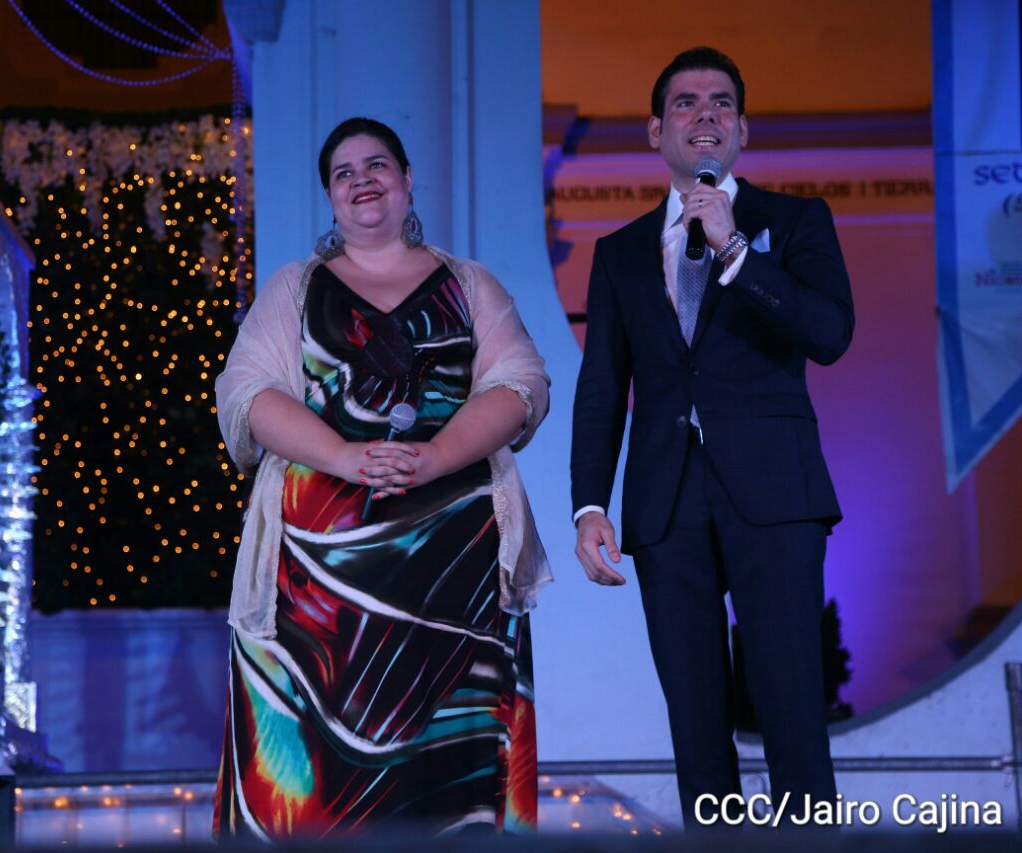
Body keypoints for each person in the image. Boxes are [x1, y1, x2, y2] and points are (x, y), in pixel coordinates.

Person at [213, 117, 551, 838]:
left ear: (406, 179)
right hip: (314, 589)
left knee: (449, 774)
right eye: (344, 173)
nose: (362, 180)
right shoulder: (294, 288)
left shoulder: (470, 283)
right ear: (330, 197)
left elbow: (520, 384)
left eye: (376, 165)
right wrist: (345, 457)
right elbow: (246, 394)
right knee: (315, 783)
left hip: (454, 576)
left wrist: (436, 456)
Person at [570, 47, 853, 829]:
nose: (706, 115)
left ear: (742, 131)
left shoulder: (795, 222)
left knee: (792, 713)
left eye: (722, 102)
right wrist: (588, 505)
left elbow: (830, 333)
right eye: (686, 103)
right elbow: (603, 387)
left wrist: (734, 250)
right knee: (696, 730)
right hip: (666, 505)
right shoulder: (620, 252)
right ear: (656, 131)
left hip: (776, 496)